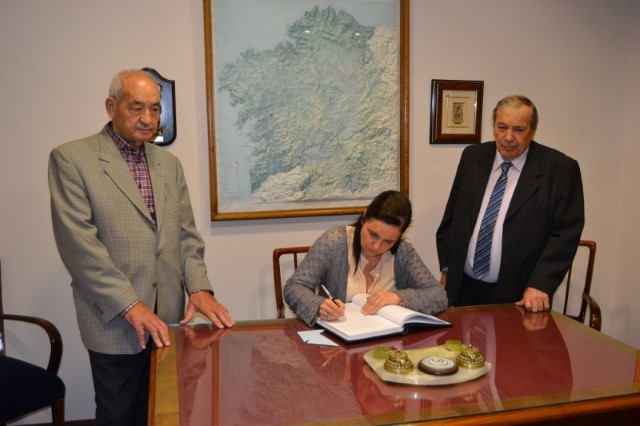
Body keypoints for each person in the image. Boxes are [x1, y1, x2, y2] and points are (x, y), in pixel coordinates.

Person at [48, 69, 235, 425]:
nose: (147, 119)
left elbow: (186, 236)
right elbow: (79, 247)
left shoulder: (169, 164)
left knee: (166, 412)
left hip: (167, 317)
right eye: (136, 108)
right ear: (111, 106)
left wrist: (199, 287)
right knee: (119, 415)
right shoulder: (72, 159)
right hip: (115, 321)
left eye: (154, 109)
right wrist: (130, 305)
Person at [436, 95, 584, 312]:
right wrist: (448, 267)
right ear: (493, 125)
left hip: (518, 293)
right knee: (461, 345)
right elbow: (453, 215)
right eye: (502, 127)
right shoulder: (473, 156)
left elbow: (565, 234)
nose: (508, 137)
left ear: (533, 131)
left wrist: (540, 283)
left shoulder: (560, 169)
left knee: (508, 347)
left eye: (518, 129)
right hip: (464, 287)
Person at [284, 190, 448, 326]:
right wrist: (318, 305)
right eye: (373, 234)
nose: (376, 246)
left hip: (388, 345)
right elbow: (294, 287)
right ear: (364, 217)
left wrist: (399, 297)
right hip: (338, 345)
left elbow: (438, 295)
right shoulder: (334, 242)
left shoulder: (403, 252)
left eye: (388, 241)